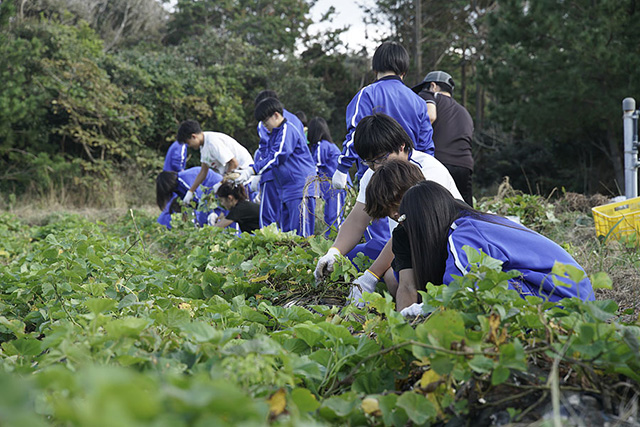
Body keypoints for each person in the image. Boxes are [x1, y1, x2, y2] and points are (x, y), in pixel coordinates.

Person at [383, 179, 594, 314]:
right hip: (573, 291)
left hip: (566, 301)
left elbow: (460, 291)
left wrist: (416, 313)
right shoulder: (476, 221)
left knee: (483, 296)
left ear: (425, 220)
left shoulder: (463, 234)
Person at [314, 113, 461, 302]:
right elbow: (357, 220)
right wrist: (334, 252)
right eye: (369, 161)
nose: (376, 166)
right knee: (346, 259)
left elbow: (410, 231)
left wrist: (371, 275)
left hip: (432, 245)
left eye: (381, 158)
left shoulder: (428, 172)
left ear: (401, 146)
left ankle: (416, 313)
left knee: (393, 277)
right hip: (399, 243)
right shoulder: (374, 173)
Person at [331, 41, 434, 189]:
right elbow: (426, 146)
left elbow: (356, 133)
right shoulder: (418, 101)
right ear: (403, 72)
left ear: (375, 69)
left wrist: (342, 167)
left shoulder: (367, 94)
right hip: (409, 178)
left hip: (373, 177)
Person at [244, 97, 317, 236]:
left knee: (302, 237)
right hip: (286, 190)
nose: (265, 126)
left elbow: (277, 155)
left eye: (266, 122)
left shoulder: (287, 129)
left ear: (276, 115)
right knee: (288, 235)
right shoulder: (275, 133)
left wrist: (253, 170)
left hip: (299, 187)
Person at [412, 71, 474, 205]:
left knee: (434, 209)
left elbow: (430, 116)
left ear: (433, 86)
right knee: (466, 212)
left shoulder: (429, 95)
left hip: (440, 163)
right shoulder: (463, 111)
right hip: (465, 166)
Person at [253, 91, 306, 228]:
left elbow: (272, 153)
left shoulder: (283, 125)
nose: (264, 125)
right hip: (289, 179)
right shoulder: (294, 119)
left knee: (269, 219)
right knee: (290, 228)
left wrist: (255, 170)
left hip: (278, 176)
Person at [176, 120, 254, 205]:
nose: (189, 146)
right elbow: (203, 171)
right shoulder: (203, 145)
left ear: (193, 136)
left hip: (244, 176)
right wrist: (191, 191)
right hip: (234, 177)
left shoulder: (212, 143)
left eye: (188, 143)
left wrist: (222, 183)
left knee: (244, 206)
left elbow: (234, 163)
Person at [307, 117, 350, 237]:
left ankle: (337, 244)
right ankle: (329, 242)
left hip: (335, 188)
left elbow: (315, 166)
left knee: (334, 218)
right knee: (329, 216)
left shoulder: (323, 146)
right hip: (330, 189)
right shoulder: (322, 146)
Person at [156, 167, 222, 229]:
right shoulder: (177, 189)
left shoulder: (183, 179)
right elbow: (189, 204)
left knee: (213, 219)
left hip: (216, 186)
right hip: (206, 194)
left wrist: (210, 212)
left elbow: (199, 199)